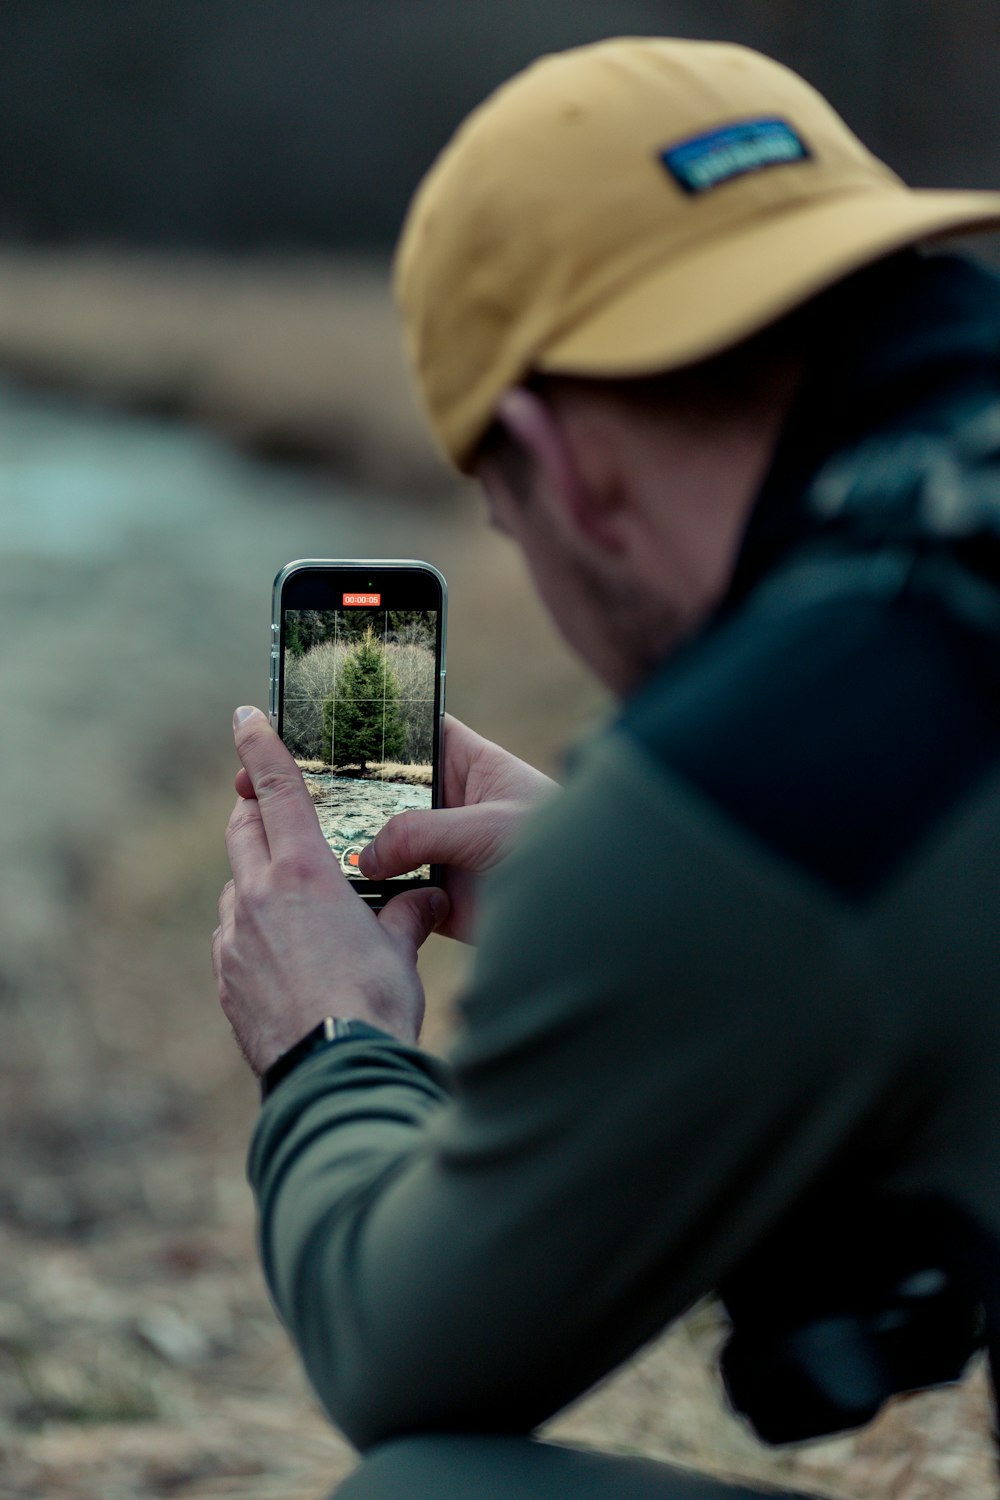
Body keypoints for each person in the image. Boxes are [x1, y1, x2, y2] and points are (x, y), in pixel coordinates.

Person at [212, 37, 1000, 1498]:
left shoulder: (772, 773)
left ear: (558, 463)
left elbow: (407, 1347)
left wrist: (331, 1040)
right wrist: (670, 912)